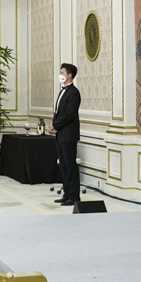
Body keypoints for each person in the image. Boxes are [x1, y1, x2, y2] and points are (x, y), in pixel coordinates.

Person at [51, 62, 82, 205]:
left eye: (62, 73)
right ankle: (66, 193)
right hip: (60, 134)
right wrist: (53, 124)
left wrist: (56, 125)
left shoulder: (74, 92)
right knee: (63, 166)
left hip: (68, 135)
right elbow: (59, 112)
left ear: (69, 75)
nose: (60, 75)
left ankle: (74, 196)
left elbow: (70, 114)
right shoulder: (63, 91)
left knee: (70, 166)